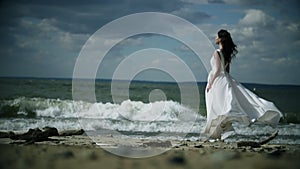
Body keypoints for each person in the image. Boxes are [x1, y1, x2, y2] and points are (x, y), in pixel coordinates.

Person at [203, 29, 283, 139]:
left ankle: (216, 134)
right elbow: (227, 71)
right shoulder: (226, 54)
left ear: (220, 39)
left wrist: (211, 83)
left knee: (216, 107)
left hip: (217, 81)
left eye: (217, 36)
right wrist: (227, 81)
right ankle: (219, 133)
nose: (215, 38)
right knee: (222, 107)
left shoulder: (217, 52)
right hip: (224, 80)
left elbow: (217, 70)